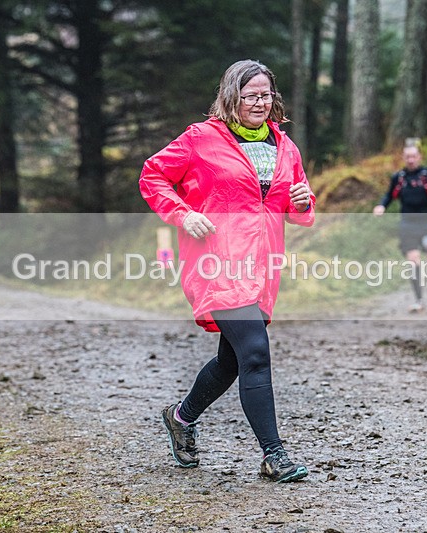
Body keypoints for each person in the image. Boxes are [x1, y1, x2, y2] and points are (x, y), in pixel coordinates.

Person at [140, 59, 314, 483]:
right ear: (231, 97)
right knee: (255, 351)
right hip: (216, 263)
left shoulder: (285, 147)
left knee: (233, 360)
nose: (259, 103)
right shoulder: (201, 139)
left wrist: (304, 201)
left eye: (265, 95)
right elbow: (153, 176)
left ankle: (181, 417)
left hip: (261, 265)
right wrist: (182, 214)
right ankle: (274, 455)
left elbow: (294, 207)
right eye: (250, 95)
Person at [373, 140, 427, 313]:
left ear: (419, 157)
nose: (410, 160)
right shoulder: (399, 178)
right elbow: (388, 195)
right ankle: (419, 300)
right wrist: (381, 206)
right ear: (403, 157)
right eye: (407, 157)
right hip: (407, 224)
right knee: (413, 260)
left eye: (414, 156)